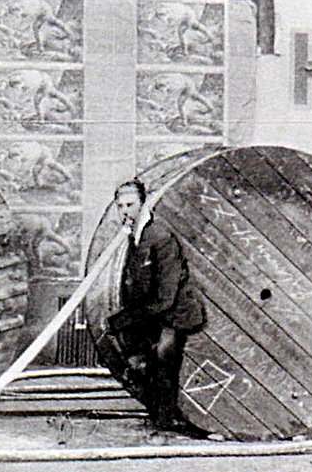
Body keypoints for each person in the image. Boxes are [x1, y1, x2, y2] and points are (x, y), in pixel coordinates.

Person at [106, 178, 207, 437]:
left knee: (164, 356)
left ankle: (169, 418)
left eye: (130, 204)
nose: (125, 211)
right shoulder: (136, 236)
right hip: (157, 311)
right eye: (120, 206)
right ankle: (161, 415)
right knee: (146, 357)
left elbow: (165, 297)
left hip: (176, 313)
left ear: (143, 203)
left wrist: (125, 319)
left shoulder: (160, 237)